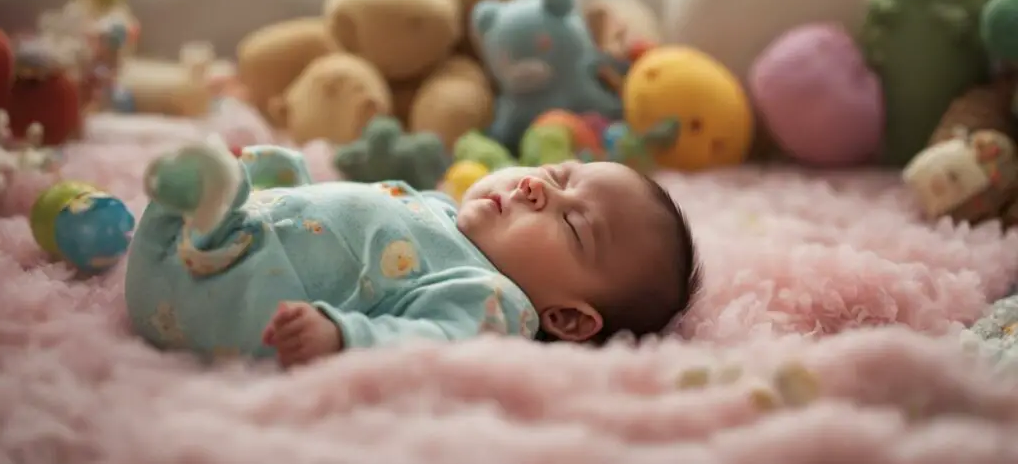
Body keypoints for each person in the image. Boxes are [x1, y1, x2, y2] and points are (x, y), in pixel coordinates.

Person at [124, 138, 701, 367]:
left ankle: (200, 207)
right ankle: (204, 203)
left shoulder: (492, 301)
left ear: (568, 318)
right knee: (273, 180)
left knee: (225, 241)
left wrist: (342, 336)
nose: (537, 188)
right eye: (557, 173)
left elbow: (426, 346)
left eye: (572, 223)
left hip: (238, 303)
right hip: (242, 240)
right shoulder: (447, 214)